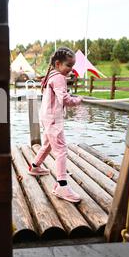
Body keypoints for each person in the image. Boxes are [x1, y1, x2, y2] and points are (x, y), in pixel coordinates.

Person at [28, 47, 84, 203]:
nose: (71, 70)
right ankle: (62, 185)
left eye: (72, 66)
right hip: (53, 119)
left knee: (47, 144)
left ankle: (34, 166)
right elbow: (65, 100)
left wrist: (70, 96)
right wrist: (78, 100)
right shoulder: (59, 77)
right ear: (58, 64)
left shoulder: (51, 75)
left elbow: (60, 95)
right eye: (69, 66)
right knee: (61, 150)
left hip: (47, 117)